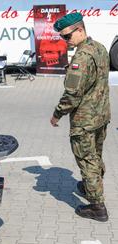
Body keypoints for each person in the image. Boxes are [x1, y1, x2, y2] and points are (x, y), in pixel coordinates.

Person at [50, 13, 111, 222]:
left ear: (80, 30)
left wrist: (57, 114)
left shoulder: (81, 57)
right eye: (62, 37)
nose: (65, 41)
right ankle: (89, 187)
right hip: (101, 116)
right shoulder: (100, 47)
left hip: (85, 120)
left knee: (87, 160)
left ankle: (97, 207)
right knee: (96, 155)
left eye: (67, 36)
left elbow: (72, 95)